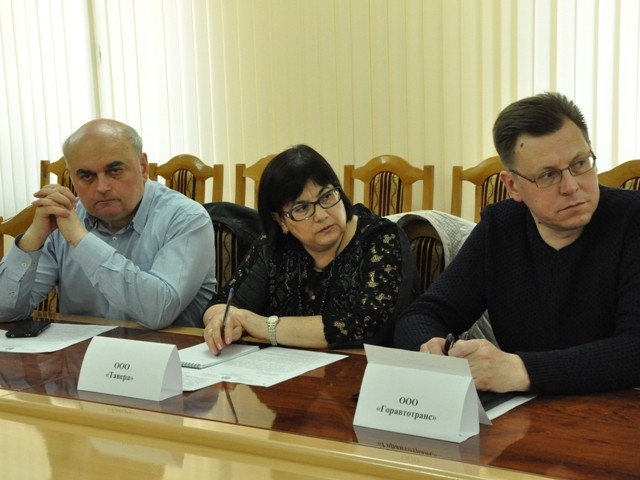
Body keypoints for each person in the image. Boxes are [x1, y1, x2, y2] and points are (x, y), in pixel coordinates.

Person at [394, 92, 640, 395]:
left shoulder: (632, 220)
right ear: (512, 186)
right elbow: (422, 315)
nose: (572, 186)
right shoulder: (500, 227)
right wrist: (429, 349)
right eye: (548, 175)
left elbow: (634, 349)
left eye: (580, 163)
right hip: (524, 412)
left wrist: (522, 370)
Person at [0, 119, 216, 329]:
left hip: (167, 351)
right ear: (72, 179)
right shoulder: (63, 220)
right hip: (81, 351)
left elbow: (159, 312)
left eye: (114, 171)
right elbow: (4, 311)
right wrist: (33, 238)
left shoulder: (186, 218)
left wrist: (82, 241)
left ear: (143, 167)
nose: (102, 187)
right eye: (87, 176)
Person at [203, 144, 418, 353]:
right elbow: (222, 304)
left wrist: (262, 326)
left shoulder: (381, 239)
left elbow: (368, 326)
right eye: (302, 208)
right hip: (286, 371)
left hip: (362, 370)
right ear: (280, 220)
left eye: (327, 196)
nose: (322, 215)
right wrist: (223, 321)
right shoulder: (273, 246)